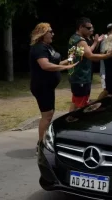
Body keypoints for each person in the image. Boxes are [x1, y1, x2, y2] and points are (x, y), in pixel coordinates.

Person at [29, 22, 78, 154]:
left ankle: (45, 142)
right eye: (50, 31)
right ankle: (41, 146)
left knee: (49, 115)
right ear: (43, 34)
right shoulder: (39, 48)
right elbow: (45, 66)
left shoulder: (48, 47)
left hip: (48, 86)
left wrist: (69, 60)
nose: (53, 34)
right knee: (46, 116)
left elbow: (54, 63)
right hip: (41, 86)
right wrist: (65, 68)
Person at [67, 17, 112, 115]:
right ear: (81, 27)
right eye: (89, 28)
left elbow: (86, 52)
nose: (91, 30)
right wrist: (108, 55)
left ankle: (68, 121)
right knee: (81, 106)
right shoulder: (80, 41)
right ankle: (78, 126)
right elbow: (91, 56)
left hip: (75, 76)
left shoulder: (73, 38)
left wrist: (95, 42)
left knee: (75, 102)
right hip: (81, 77)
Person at [98, 23, 112, 100]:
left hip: (111, 70)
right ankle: (96, 103)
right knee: (106, 90)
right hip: (105, 70)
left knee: (110, 91)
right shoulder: (105, 40)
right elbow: (102, 53)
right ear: (109, 32)